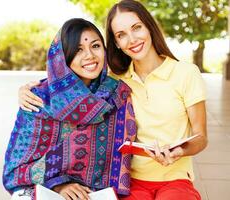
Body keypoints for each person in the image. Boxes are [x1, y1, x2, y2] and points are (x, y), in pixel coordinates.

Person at [17, 1, 208, 200]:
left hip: (176, 179)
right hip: (128, 182)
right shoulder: (115, 83)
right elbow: (72, 83)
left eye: (136, 28)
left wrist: (178, 151)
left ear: (149, 27)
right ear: (116, 43)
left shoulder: (186, 73)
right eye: (121, 35)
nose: (132, 39)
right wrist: (30, 90)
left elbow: (200, 137)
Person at [3, 18, 137, 200]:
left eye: (95, 46)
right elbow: (15, 170)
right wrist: (58, 185)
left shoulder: (117, 94)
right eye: (78, 50)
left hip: (95, 193)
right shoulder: (38, 99)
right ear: (61, 57)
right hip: (47, 190)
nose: (89, 55)